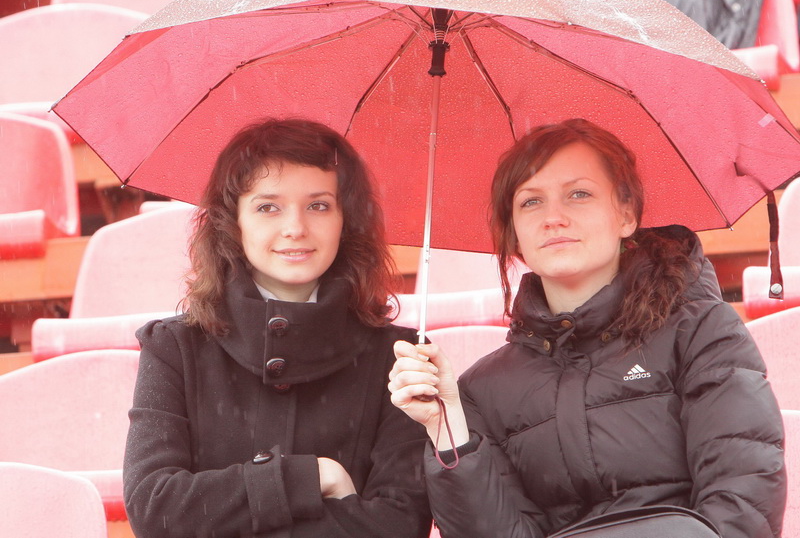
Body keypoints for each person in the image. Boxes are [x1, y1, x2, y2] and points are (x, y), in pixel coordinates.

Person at [389, 118, 786, 538]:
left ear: (626, 215)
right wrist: (448, 429)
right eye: (530, 202)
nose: (553, 218)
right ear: (515, 236)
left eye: (579, 194)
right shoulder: (480, 390)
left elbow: (744, 501)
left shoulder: (701, 332)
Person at [124, 118, 431, 538]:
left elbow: (400, 524)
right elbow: (154, 508)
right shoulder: (174, 347)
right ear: (232, 222)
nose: (295, 229)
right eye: (268, 207)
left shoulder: (400, 357)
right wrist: (313, 477)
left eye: (318, 205)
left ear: (346, 219)